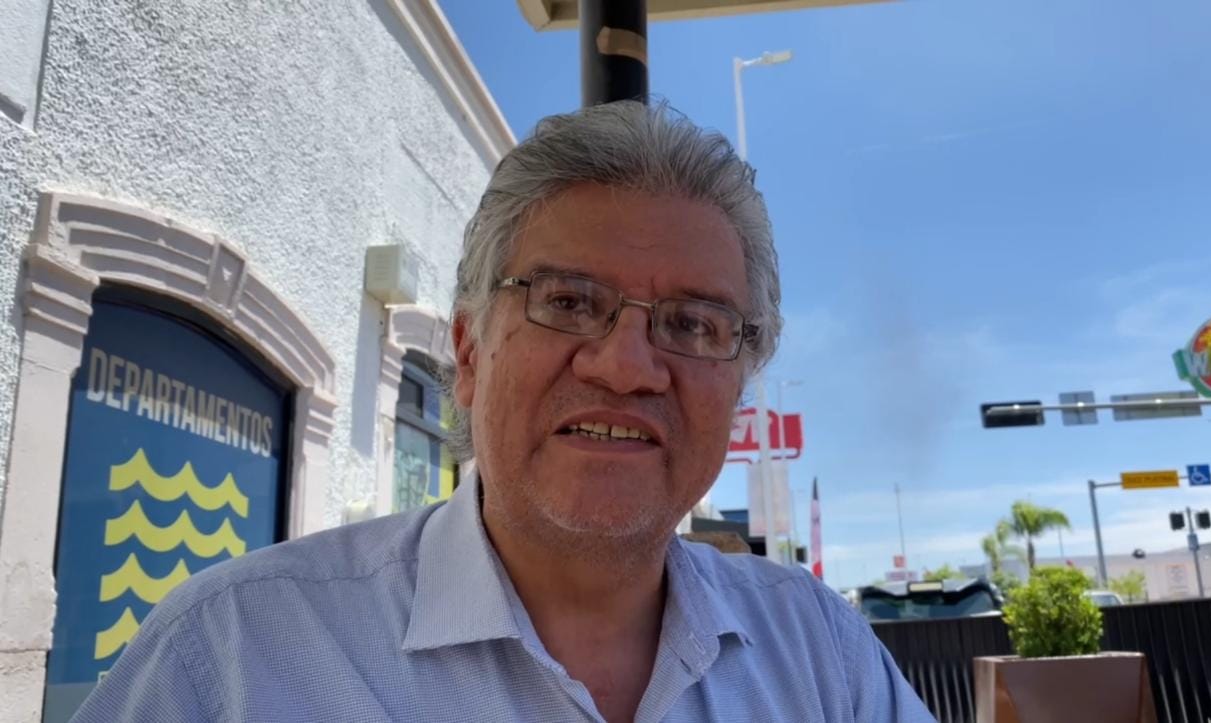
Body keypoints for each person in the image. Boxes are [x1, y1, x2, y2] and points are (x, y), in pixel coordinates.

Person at [74, 101, 934, 722]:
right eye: (568, 301)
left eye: (692, 324)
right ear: (470, 354)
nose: (627, 365)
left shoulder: (824, 657)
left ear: (740, 383)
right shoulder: (229, 658)